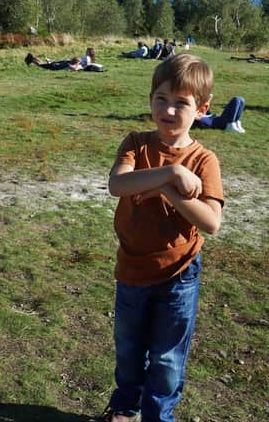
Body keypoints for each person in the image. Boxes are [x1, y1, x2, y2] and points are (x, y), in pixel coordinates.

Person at [95, 53, 224, 422]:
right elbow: (118, 185)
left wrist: (168, 188)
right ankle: (124, 408)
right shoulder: (136, 142)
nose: (168, 110)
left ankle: (157, 417)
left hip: (178, 276)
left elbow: (211, 222)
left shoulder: (204, 160)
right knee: (129, 348)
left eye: (180, 103)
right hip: (132, 269)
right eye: (161, 99)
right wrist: (170, 173)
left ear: (202, 108)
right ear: (151, 99)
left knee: (167, 358)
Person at [25, 47, 105, 72]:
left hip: (58, 65)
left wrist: (80, 64)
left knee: (41, 65)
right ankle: (32, 58)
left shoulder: (86, 59)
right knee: (41, 65)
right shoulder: (83, 62)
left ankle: (32, 58)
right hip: (57, 65)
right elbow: (78, 66)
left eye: (87, 51)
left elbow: (83, 64)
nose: (85, 52)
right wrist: (80, 65)